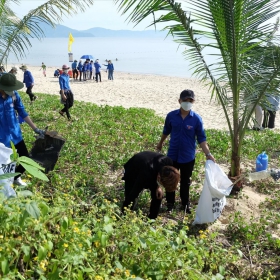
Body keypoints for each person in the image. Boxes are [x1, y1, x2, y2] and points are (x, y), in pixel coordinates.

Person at [156, 89, 215, 214]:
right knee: (170, 179)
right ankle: (170, 204)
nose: (187, 103)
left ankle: (185, 203)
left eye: (190, 101)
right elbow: (166, 131)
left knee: (185, 181)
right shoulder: (171, 116)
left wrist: (208, 154)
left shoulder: (197, 119)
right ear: (179, 101)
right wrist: (160, 143)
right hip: (172, 155)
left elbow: (201, 139)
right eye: (185, 100)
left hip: (188, 157)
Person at [0, 73, 45, 186]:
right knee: (5, 164)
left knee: (25, 158)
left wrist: (35, 129)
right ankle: (5, 185)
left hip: (15, 135)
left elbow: (22, 112)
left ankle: (15, 178)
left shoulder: (14, 95)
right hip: (2, 139)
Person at [122, 151, 180, 219]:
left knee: (158, 195)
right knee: (131, 194)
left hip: (150, 164)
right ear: (158, 177)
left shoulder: (169, 163)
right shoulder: (145, 175)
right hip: (134, 167)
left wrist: (159, 187)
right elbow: (133, 193)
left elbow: (159, 176)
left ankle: (152, 218)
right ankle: (124, 215)